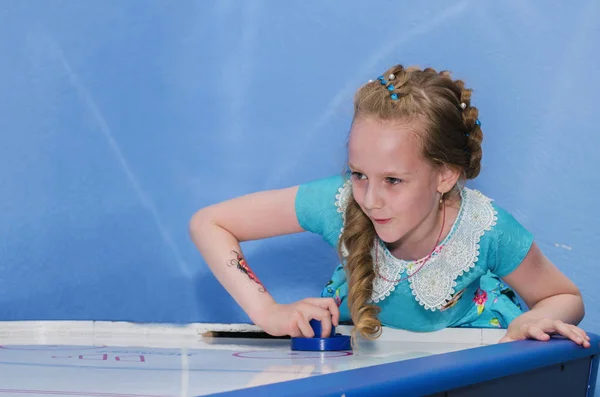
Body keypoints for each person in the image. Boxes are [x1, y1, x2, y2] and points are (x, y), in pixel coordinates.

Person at [189, 64, 590, 348]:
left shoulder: (487, 229)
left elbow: (564, 297)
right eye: (358, 173)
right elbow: (210, 223)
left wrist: (533, 320)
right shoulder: (338, 202)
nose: (370, 198)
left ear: (445, 176)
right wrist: (267, 312)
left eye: (393, 180)